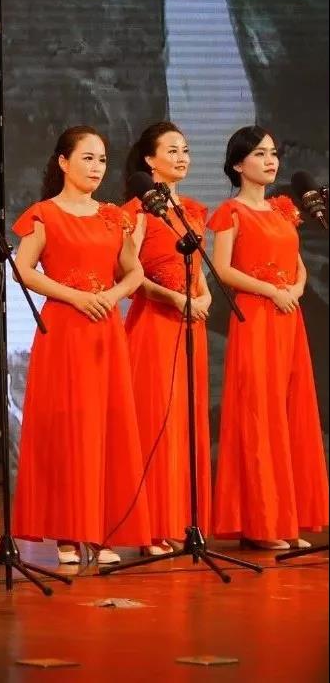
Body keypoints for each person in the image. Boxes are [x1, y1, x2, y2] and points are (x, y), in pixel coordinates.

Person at [12, 125, 151, 566]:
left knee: (106, 427)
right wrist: (73, 296)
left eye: (102, 160)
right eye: (87, 158)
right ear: (63, 162)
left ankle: (103, 531)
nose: (96, 167)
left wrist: (113, 295)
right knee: (68, 428)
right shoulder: (44, 214)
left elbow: (134, 270)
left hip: (105, 330)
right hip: (64, 330)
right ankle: (69, 533)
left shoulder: (112, 216)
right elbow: (23, 269)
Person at [209, 126, 328, 550]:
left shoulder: (283, 209)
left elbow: (297, 263)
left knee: (290, 413)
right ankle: (261, 522)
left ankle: (287, 518)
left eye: (273, 153)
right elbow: (224, 269)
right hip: (256, 318)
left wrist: (295, 288)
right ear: (238, 164)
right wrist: (270, 291)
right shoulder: (231, 212)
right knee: (259, 415)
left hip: (288, 318)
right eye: (260, 154)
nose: (270, 160)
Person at [123, 122, 212, 555]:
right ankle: (152, 527)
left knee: (186, 422)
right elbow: (129, 274)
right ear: (149, 159)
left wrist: (204, 295)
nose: (182, 157)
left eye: (186, 150)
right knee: (156, 420)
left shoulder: (191, 210)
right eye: (172, 150)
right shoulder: (136, 211)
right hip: (154, 324)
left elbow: (198, 268)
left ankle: (181, 520)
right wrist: (174, 298)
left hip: (192, 323)